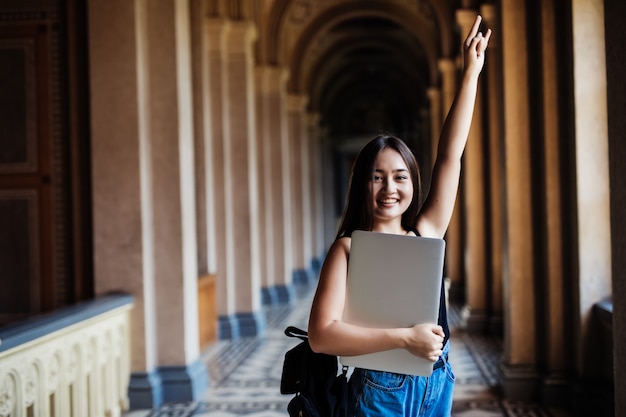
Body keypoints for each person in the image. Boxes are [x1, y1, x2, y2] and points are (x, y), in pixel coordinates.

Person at [307, 14, 491, 417]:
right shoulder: (349, 248)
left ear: (412, 183)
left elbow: (450, 156)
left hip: (436, 381)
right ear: (362, 185)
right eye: (377, 177)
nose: (389, 188)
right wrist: (405, 339)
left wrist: (470, 75)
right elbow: (321, 336)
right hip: (377, 389)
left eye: (399, 176)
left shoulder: (426, 233)